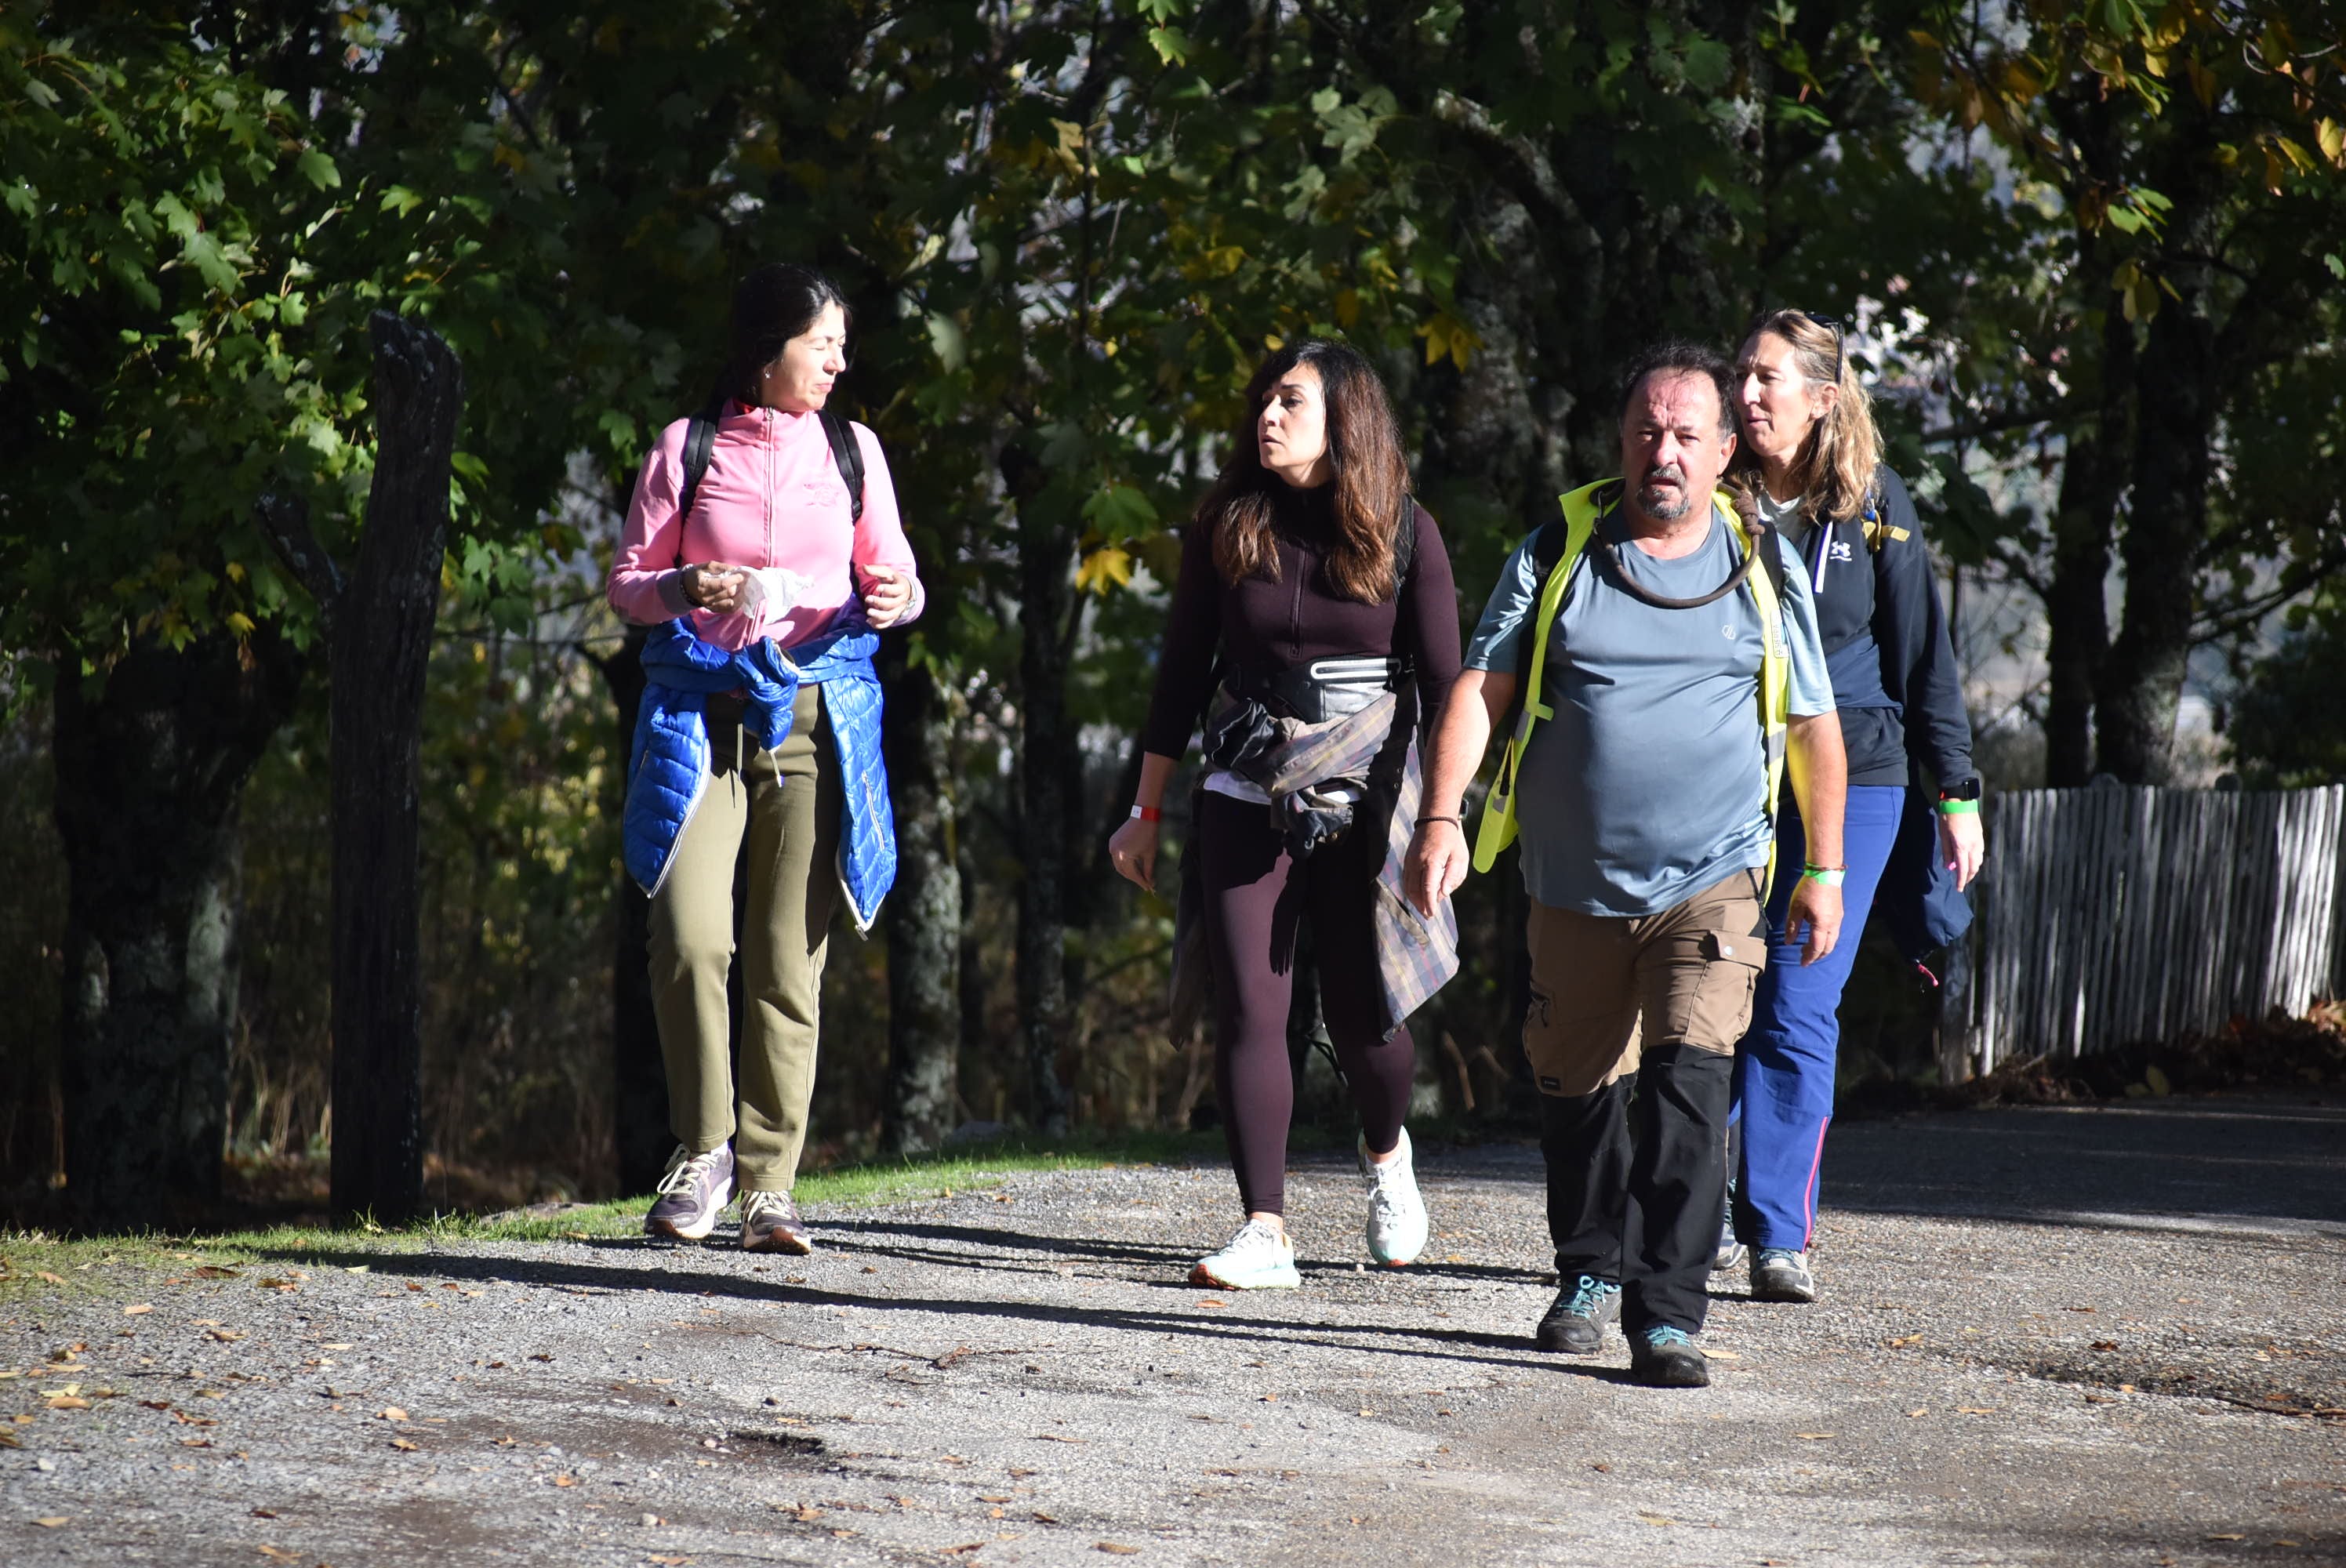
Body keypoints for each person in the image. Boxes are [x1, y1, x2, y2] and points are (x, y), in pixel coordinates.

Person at [1406, 341, 1847, 1388]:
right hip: (1572, 881)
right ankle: (1591, 1272)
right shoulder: (1561, 548)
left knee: (1693, 1082)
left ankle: (1668, 1314)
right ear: (1620, 439)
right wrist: (1439, 816)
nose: (1666, 453)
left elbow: (1816, 731)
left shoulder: (1764, 562)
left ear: (1726, 449)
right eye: (1649, 431)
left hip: (1718, 874)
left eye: (1689, 435)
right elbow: (1479, 691)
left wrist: (1824, 871)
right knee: (1576, 1087)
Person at [1109, 339, 1462, 1290]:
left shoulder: (1405, 532)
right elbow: (1182, 671)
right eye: (1263, 397)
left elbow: (1443, 685)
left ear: (1344, 419)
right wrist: (1144, 808)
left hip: (1367, 794)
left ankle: (1386, 1150)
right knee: (1250, 1009)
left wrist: (1445, 819)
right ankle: (1264, 1227)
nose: (1266, 414)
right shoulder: (1227, 523)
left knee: (1364, 1019)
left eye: (1290, 401)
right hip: (1242, 783)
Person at [607, 263, 923, 1253]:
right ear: (767, 348)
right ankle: (701, 1153)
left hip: (816, 714)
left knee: (789, 957)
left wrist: (893, 599)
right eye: (820, 342)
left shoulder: (855, 451)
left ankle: (770, 1184)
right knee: (691, 934)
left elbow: (898, 575)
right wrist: (680, 585)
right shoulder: (685, 449)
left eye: (840, 343)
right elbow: (626, 584)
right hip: (698, 715)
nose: (837, 359)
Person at [1716, 310, 1982, 1304]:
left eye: (1767, 378)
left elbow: (1925, 656)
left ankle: (1777, 1232)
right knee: (1712, 996)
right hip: (1728, 769)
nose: (1746, 393)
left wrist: (1954, 791)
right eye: (1739, 374)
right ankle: (1690, 1214)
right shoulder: (1708, 494)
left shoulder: (1871, 504)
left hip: (1857, 774)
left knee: (1796, 1000)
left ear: (1822, 397)